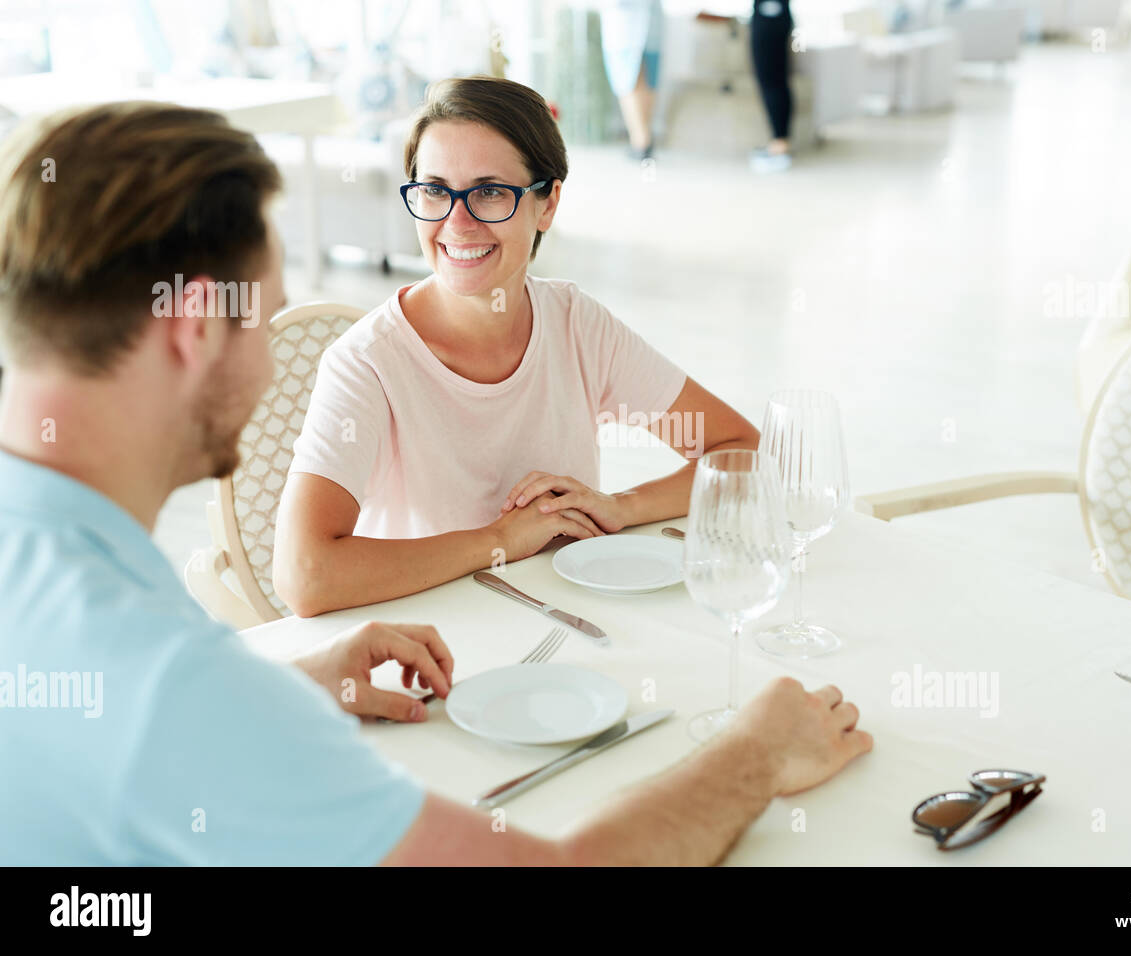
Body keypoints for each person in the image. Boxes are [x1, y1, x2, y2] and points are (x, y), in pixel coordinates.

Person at [0, 101, 872, 866]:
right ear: (195, 328)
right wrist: (758, 749)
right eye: (262, 318)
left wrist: (292, 683)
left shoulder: (77, 596)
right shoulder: (169, 688)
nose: (271, 361)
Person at [273, 76, 757, 618]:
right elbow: (304, 575)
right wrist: (499, 539)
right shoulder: (367, 363)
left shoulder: (576, 325)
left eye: (489, 192)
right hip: (431, 655)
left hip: (568, 627)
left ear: (546, 205)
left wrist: (620, 506)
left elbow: (742, 452)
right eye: (434, 189)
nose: (456, 222)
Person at [599, 0, 663, 160]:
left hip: (626, 19)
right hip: (648, 15)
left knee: (627, 75)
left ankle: (641, 141)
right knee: (645, 72)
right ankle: (643, 139)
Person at [749, 0, 795, 173]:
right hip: (773, 15)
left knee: (771, 82)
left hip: (769, 17)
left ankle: (780, 147)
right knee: (775, 81)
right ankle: (779, 143)